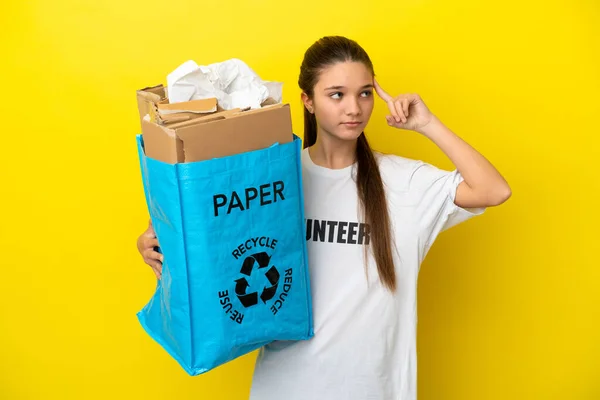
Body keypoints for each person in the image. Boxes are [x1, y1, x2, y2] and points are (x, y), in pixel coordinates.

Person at [136, 36, 511, 400]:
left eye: (365, 93)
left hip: (376, 389)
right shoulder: (275, 180)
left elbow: (493, 190)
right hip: (284, 386)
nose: (355, 108)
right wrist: (157, 243)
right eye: (337, 94)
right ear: (308, 101)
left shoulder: (404, 182)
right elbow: (219, 248)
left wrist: (427, 124)